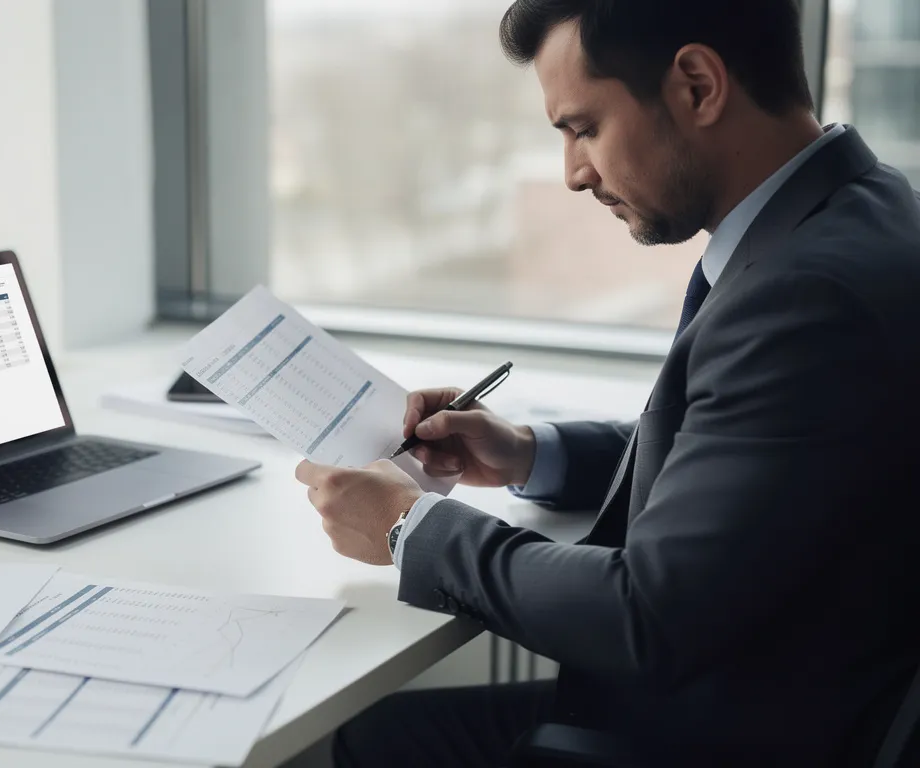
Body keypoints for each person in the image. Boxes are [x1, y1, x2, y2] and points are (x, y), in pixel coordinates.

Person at [294, 1, 920, 765]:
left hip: (733, 730)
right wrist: (530, 453)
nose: (573, 173)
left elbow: (643, 617)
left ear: (697, 86)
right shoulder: (867, 210)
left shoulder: (804, 294)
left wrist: (407, 527)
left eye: (583, 128)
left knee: (373, 741)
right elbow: (749, 455)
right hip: (790, 686)